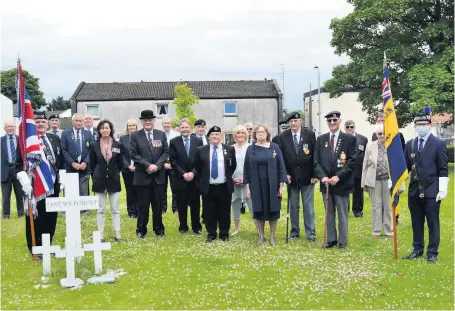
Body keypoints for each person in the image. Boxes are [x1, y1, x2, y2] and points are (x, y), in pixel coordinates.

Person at [402, 111, 449, 263]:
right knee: (416, 222)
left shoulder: (438, 144)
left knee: (432, 222)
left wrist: (442, 189)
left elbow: (443, 168)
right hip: (414, 190)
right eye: (418, 125)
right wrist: (395, 180)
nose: (421, 127)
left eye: (424, 124)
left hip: (432, 190)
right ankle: (417, 249)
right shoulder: (410, 144)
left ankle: (432, 253)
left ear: (429, 125)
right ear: (415, 126)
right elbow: (405, 167)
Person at [16, 111, 64, 254]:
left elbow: (60, 160)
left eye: (43, 122)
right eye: (37, 122)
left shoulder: (54, 138)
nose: (41, 124)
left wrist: (63, 176)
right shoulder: (26, 141)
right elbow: (18, 163)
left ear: (48, 124)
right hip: (35, 186)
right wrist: (23, 178)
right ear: (33, 124)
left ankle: (47, 246)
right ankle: (35, 248)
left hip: (53, 186)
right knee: (36, 217)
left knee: (51, 217)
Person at [314, 111, 356, 249]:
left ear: (339, 121)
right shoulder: (321, 139)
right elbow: (316, 161)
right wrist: (322, 177)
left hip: (341, 182)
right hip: (326, 183)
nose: (332, 123)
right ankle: (331, 239)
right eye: (329, 121)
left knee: (342, 213)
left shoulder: (349, 139)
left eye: (334, 120)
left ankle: (342, 241)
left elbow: (352, 161)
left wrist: (338, 176)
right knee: (329, 213)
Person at [244, 124, 287, 246]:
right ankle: (261, 236)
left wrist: (281, 185)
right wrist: (247, 187)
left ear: (267, 133)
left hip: (272, 184)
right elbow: (246, 168)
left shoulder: (275, 147)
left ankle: (272, 236)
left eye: (263, 132)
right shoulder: (250, 149)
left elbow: (281, 166)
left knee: (273, 209)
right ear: (254, 135)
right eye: (258, 132)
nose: (261, 134)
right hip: (256, 184)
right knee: (258, 209)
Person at [278, 112, 318, 241]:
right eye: (291, 122)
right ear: (288, 123)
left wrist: (315, 174)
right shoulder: (283, 137)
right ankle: (294, 231)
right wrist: (285, 175)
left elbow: (315, 156)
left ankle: (310, 233)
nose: (293, 124)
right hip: (292, 179)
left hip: (307, 177)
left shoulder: (310, 135)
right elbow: (281, 158)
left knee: (308, 206)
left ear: (301, 122)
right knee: (293, 206)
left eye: (296, 121)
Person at [193, 126, 236, 243]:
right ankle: (211, 233)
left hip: (224, 185)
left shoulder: (229, 149)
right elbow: (198, 167)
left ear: (221, 136)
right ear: (208, 137)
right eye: (212, 135)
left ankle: (224, 233)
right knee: (209, 211)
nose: (215, 137)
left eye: (217, 134)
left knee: (224, 211)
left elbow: (233, 166)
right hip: (209, 186)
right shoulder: (201, 150)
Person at [130, 110, 168, 238]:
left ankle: (159, 230)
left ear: (153, 121)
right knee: (143, 206)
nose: (148, 122)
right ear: (142, 122)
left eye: (150, 120)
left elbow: (166, 152)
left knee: (157, 205)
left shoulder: (161, 135)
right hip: (142, 176)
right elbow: (134, 154)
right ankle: (141, 230)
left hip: (158, 177)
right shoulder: (135, 136)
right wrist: (148, 165)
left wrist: (157, 166)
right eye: (145, 120)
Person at [90, 119, 124, 242]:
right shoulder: (94, 145)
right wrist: (97, 175)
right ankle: (100, 235)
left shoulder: (118, 145)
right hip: (99, 180)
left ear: (111, 129)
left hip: (114, 180)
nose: (105, 130)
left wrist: (113, 173)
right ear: (99, 130)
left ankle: (117, 233)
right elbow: (92, 164)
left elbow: (120, 164)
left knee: (115, 209)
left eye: (107, 128)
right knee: (101, 209)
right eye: (102, 128)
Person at [168, 118, 203, 234]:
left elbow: (200, 160)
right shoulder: (173, 142)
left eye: (186, 127)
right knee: (181, 204)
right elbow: (172, 161)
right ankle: (183, 227)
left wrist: (193, 173)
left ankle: (196, 227)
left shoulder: (197, 141)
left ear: (190, 128)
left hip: (195, 178)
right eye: (182, 127)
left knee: (195, 204)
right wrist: (183, 174)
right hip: (180, 178)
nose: (185, 129)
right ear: (179, 129)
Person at [372, 111, 405, 224]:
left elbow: (402, 153)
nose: (380, 122)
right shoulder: (374, 135)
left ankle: (394, 217)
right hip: (380, 173)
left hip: (393, 170)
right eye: (379, 120)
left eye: (383, 120)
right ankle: (382, 219)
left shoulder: (397, 135)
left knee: (393, 195)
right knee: (380, 198)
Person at [361, 124, 393, 238]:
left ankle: (389, 230)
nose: (382, 136)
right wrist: (363, 182)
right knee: (376, 206)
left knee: (388, 206)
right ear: (376, 135)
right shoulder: (370, 146)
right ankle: (376, 231)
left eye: (384, 133)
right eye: (380, 133)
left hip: (388, 181)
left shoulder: (392, 145)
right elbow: (364, 165)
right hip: (374, 181)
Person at [61, 113, 93, 198]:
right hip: (71, 168)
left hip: (84, 168)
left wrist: (85, 162)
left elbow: (91, 150)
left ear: (83, 122)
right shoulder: (65, 133)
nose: (78, 123)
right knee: (70, 192)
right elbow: (63, 150)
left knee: (83, 192)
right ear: (72, 121)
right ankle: (70, 210)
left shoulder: (88, 133)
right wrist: (72, 163)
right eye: (76, 121)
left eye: (80, 121)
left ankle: (84, 211)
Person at [230, 125, 254, 235]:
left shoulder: (251, 147)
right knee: (235, 203)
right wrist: (233, 179)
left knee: (252, 204)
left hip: (248, 181)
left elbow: (253, 165)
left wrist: (246, 178)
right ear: (235, 135)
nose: (240, 135)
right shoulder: (230, 148)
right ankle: (237, 228)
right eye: (238, 133)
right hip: (234, 181)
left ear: (246, 135)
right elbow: (227, 166)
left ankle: (259, 228)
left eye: (242, 133)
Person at [1, 121, 24, 219]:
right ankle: (6, 214)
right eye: (8, 126)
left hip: (18, 169)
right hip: (5, 170)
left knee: (19, 193)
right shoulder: (1, 140)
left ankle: (21, 213)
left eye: (12, 126)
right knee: (5, 196)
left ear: (15, 128)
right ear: (5, 128)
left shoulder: (20, 140)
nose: (10, 128)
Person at [344, 120, 368, 218]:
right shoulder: (342, 139)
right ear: (345, 128)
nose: (350, 128)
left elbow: (366, 154)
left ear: (354, 127)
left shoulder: (363, 139)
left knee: (358, 191)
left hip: (358, 169)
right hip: (345, 169)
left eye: (351, 127)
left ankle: (357, 211)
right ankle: (345, 210)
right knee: (345, 191)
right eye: (348, 127)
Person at [119, 118, 139, 218]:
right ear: (127, 127)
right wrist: (128, 165)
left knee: (139, 191)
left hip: (138, 169)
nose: (131, 127)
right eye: (129, 125)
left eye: (133, 125)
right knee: (130, 191)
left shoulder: (140, 137)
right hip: (127, 170)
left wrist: (136, 166)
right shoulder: (123, 138)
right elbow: (121, 154)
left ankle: (139, 211)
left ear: (136, 127)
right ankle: (131, 212)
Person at [161, 117, 179, 214]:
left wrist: (172, 163)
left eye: (168, 123)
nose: (167, 125)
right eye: (165, 123)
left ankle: (175, 208)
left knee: (175, 187)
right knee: (162, 188)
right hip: (162, 166)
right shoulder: (159, 135)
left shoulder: (176, 135)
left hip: (174, 165)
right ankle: (163, 208)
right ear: (162, 124)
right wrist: (163, 163)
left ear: (171, 124)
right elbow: (157, 152)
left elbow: (178, 151)